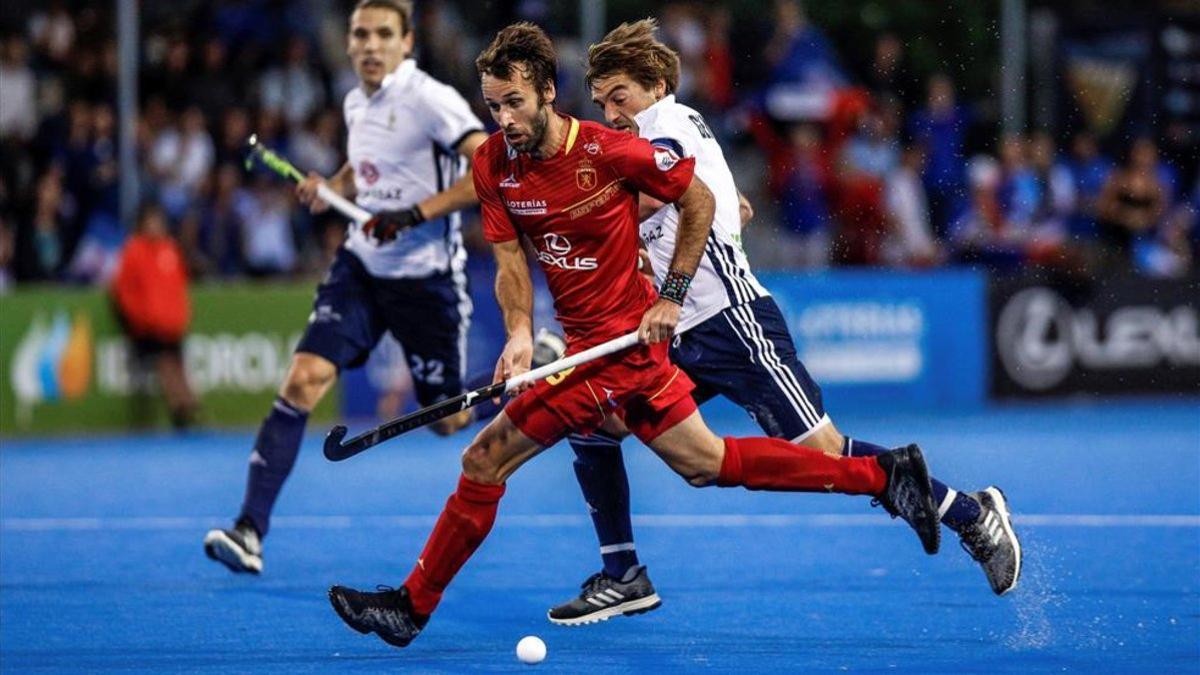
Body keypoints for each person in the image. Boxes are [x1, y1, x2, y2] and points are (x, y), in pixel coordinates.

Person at [327, 22, 945, 649]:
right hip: (588, 351)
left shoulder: (607, 152)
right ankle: (883, 475)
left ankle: (416, 606)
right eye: (493, 106)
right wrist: (518, 333)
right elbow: (511, 263)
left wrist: (672, 297)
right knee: (708, 464)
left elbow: (700, 199)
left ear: (546, 92)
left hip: (627, 354)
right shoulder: (493, 164)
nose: (504, 119)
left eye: (514, 103)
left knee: (484, 458)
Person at [541, 19, 1019, 626]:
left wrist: (562, 217)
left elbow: (660, 193)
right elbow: (704, 201)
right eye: (603, 102)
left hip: (732, 324)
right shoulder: (654, 136)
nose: (612, 113)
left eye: (620, 96)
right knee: (596, 422)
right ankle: (622, 573)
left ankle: (970, 515)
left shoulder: (667, 122)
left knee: (823, 452)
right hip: (677, 335)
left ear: (657, 85)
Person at [204, 0, 490, 575]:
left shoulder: (432, 100)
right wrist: (328, 184)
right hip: (360, 268)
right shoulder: (356, 99)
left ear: (407, 41)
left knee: (446, 419)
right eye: (359, 33)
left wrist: (415, 214)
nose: (368, 44)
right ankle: (249, 530)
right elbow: (365, 171)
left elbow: (489, 168)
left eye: (383, 34)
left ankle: (528, 369)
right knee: (303, 377)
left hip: (426, 280)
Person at [111, 203, 198, 429]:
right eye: (151, 221)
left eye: (159, 221)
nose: (156, 226)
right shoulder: (133, 251)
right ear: (142, 224)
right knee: (166, 362)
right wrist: (140, 318)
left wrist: (181, 316)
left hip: (172, 325)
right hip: (147, 327)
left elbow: (179, 287)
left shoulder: (170, 249)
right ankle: (180, 405)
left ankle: (186, 402)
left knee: (177, 363)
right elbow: (123, 291)